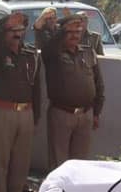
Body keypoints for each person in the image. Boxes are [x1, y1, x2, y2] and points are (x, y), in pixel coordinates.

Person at [0, 11, 41, 192]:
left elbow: (37, 87)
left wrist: (35, 115)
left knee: (21, 161)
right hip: (2, 110)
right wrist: (3, 27)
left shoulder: (31, 55)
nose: (17, 34)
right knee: (0, 160)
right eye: (12, 31)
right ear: (5, 33)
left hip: (25, 111)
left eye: (20, 30)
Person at [35, 9, 104, 168]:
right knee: (59, 164)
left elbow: (98, 83)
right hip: (62, 114)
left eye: (78, 32)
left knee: (80, 165)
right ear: (62, 33)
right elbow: (47, 45)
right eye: (70, 32)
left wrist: (97, 112)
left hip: (86, 114)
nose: (75, 35)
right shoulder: (53, 53)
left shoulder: (87, 51)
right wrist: (59, 31)